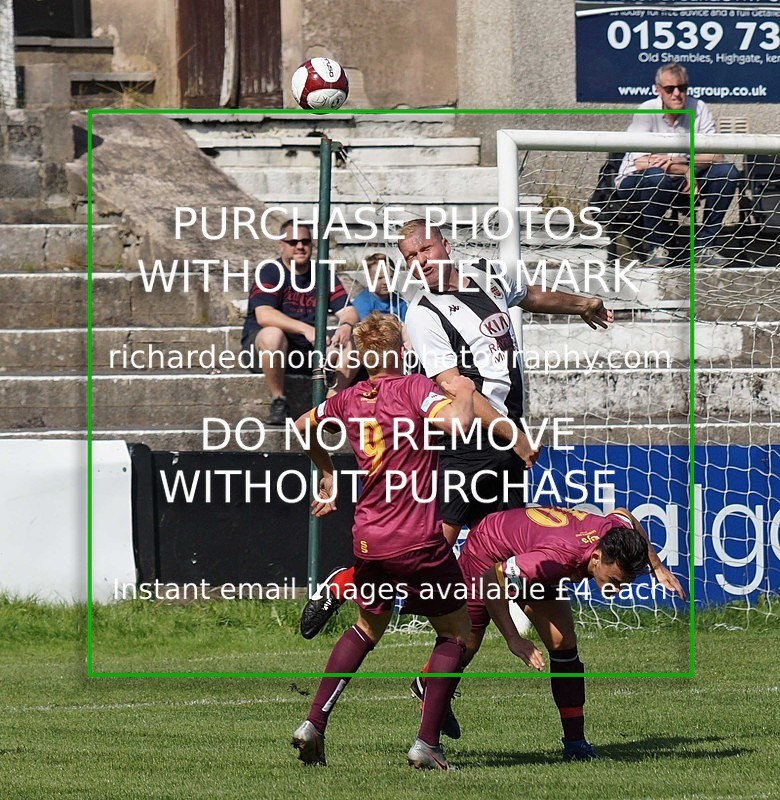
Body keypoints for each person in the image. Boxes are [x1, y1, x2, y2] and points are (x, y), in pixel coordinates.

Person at [299, 219, 614, 639]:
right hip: (467, 442)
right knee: (434, 545)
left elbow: (530, 295)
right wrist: (512, 434)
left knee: (504, 554)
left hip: (505, 440)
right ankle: (345, 583)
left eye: (423, 249)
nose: (418, 261)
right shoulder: (424, 315)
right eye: (409, 257)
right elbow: (452, 384)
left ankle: (448, 676)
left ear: (445, 245)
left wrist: (582, 304)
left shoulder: (489, 274)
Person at [290, 312, 474, 771]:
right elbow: (457, 426)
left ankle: (313, 724)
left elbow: (302, 425)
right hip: (417, 540)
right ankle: (426, 744)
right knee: (457, 633)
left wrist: (328, 473)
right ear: (398, 352)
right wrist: (466, 391)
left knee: (367, 629)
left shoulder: (350, 397)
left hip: (369, 539)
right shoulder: (414, 389)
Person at [454, 504, 686, 760]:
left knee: (563, 644)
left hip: (529, 553)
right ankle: (427, 692)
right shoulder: (558, 559)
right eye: (615, 581)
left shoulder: (615, 533)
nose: (618, 590)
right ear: (596, 558)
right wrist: (513, 638)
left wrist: (657, 566)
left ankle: (576, 745)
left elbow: (625, 515)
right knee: (465, 644)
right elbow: (491, 580)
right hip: (487, 550)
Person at [615, 62, 741, 268]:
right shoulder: (646, 110)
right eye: (669, 89)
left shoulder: (698, 108)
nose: (677, 94)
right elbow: (640, 161)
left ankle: (705, 246)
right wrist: (685, 169)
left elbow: (717, 155)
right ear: (658, 90)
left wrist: (683, 164)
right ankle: (656, 247)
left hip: (682, 179)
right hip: (637, 182)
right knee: (656, 176)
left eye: (682, 88)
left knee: (727, 173)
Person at [241, 219, 359, 425]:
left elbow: (348, 310)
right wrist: (306, 329)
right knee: (273, 334)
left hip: (308, 351)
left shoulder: (323, 274)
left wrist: (345, 326)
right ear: (281, 245)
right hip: (267, 351)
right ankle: (279, 400)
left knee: (354, 340)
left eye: (305, 241)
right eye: (293, 241)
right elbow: (264, 315)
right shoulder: (270, 271)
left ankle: (330, 402)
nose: (300, 246)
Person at [351, 252, 408, 322]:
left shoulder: (399, 301)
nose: (386, 282)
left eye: (390, 276)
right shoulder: (362, 302)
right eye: (380, 278)